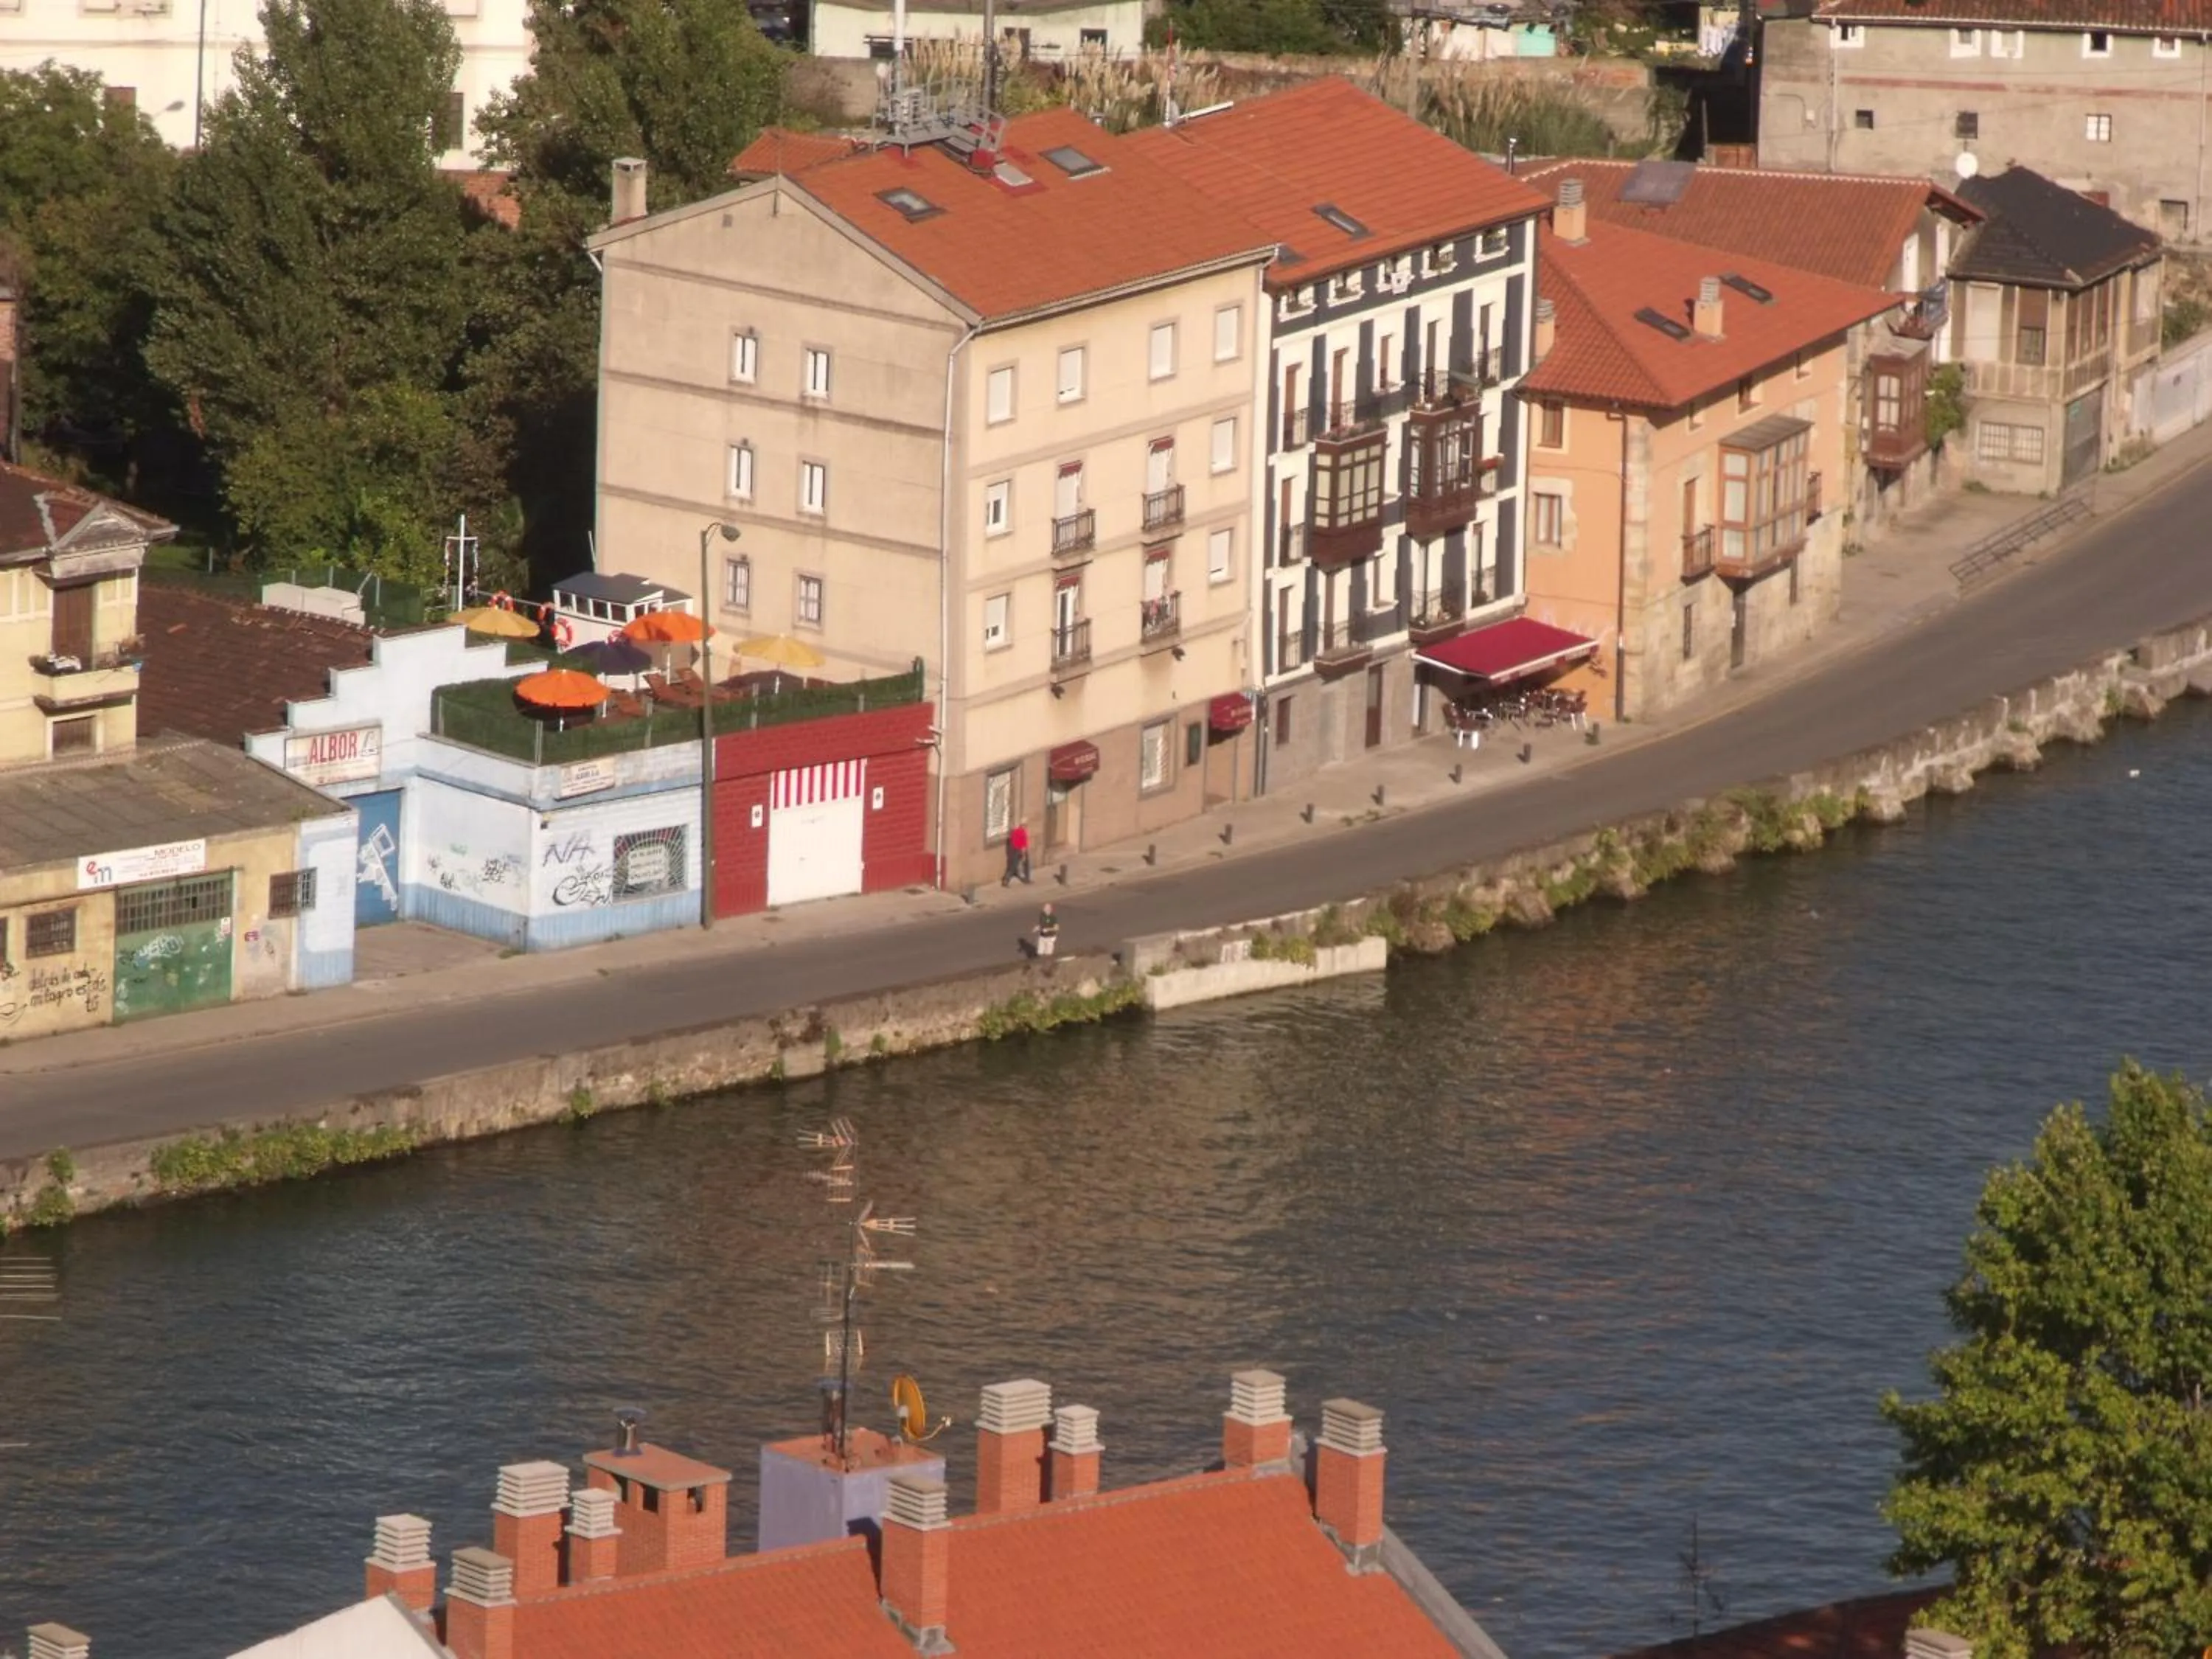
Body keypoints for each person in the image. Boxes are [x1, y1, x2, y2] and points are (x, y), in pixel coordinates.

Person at [1004, 820, 1032, 887]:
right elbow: (1024, 844)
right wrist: (1024, 854)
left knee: (1012, 866)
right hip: (1019, 850)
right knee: (1025, 864)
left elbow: (1011, 840)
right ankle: (1026, 879)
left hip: (1013, 850)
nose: (1026, 827)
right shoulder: (1023, 832)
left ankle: (1006, 880)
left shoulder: (1015, 832)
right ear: (1023, 826)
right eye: (1025, 825)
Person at [1034, 901, 1060, 966]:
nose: (1044, 909)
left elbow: (1056, 928)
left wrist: (1048, 929)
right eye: (1044, 907)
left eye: (1046, 907)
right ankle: (1042, 964)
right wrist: (1037, 928)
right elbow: (1041, 924)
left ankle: (1049, 965)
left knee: (1048, 954)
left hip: (1050, 937)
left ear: (1050, 909)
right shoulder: (1042, 915)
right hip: (1042, 937)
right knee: (1040, 952)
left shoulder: (1053, 918)